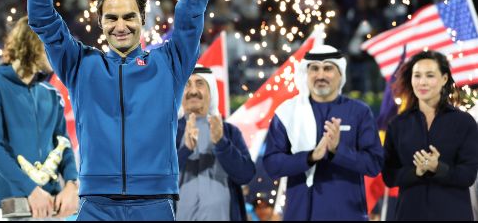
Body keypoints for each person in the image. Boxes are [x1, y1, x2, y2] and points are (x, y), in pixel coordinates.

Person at [27, 0, 210, 221]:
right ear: (100, 21)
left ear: (143, 19)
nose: (120, 26)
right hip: (96, 204)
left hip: (155, 202)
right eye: (111, 18)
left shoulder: (170, 62)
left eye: (129, 17)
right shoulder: (80, 64)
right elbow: (41, 15)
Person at [263, 44, 384, 220]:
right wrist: (310, 157)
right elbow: (271, 165)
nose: (320, 75)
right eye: (314, 69)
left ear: (340, 73)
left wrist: (338, 150)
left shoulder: (359, 112)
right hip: (300, 214)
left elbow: (374, 165)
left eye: (328, 68)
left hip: (347, 214)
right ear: (306, 73)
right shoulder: (287, 113)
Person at [0, 16, 79, 219]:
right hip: (11, 208)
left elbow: (63, 144)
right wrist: (31, 190)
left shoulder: (51, 93)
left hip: (50, 206)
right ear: (32, 43)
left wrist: (71, 184)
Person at [382, 51, 478, 221]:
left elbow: (468, 175)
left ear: (444, 79)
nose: (422, 82)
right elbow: (389, 175)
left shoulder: (464, 122)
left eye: (430, 75)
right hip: (409, 214)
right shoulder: (397, 124)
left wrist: (438, 168)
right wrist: (415, 172)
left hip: (453, 214)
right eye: (417, 75)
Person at [176, 65, 255, 221]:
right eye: (187, 85)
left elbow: (246, 175)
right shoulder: (167, 133)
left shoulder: (230, 132)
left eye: (200, 84)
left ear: (211, 91)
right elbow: (155, 180)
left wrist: (221, 143)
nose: (193, 91)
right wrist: (184, 150)